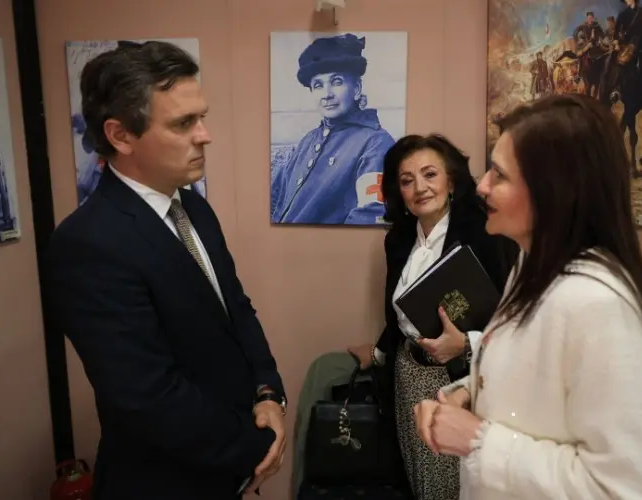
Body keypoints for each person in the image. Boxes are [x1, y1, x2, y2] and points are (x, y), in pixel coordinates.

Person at [44, 41, 287, 500]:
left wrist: (269, 394)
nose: (205, 135)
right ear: (121, 135)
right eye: (183, 123)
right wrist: (255, 446)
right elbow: (145, 395)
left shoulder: (194, 208)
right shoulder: (88, 242)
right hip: (164, 480)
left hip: (225, 464)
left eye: (202, 117)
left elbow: (236, 310)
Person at [413, 94, 642, 499]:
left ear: (554, 192)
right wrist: (469, 393)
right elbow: (536, 386)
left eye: (499, 175)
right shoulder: (530, 266)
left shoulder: (599, 305)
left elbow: (627, 489)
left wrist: (478, 441)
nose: (481, 186)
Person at [349, 134, 517, 500]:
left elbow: (509, 317)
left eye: (430, 175)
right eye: (407, 180)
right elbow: (398, 316)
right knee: (417, 480)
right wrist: (378, 353)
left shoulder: (484, 234)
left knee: (457, 485)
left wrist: (465, 346)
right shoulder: (398, 240)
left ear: (451, 182)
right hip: (408, 375)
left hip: (459, 378)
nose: (420, 188)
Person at [270, 33, 395, 225]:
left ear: (357, 89)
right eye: (318, 85)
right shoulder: (308, 141)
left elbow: (371, 217)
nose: (326, 94)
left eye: (337, 82)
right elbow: (275, 198)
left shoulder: (375, 143)